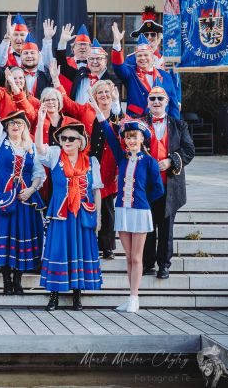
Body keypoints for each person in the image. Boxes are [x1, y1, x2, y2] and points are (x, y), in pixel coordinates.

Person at [0, 76, 45, 295]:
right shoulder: (0, 142)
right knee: (5, 238)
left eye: (19, 123)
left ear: (25, 127)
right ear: (7, 127)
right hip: (3, 198)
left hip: (25, 199)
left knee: (21, 237)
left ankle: (18, 280)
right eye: (12, 123)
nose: (15, 126)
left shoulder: (31, 148)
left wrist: (31, 189)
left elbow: (39, 173)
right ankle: (7, 281)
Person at [93, 107, 164, 314]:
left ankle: (135, 297)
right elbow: (109, 132)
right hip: (123, 211)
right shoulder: (122, 158)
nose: (131, 140)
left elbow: (158, 189)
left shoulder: (150, 161)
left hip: (140, 212)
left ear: (142, 138)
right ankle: (130, 297)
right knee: (128, 256)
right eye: (128, 137)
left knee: (136, 257)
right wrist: (97, 110)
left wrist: (143, 202)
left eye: (135, 136)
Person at [35, 111, 104, 311]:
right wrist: (40, 122)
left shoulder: (91, 162)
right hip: (61, 213)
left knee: (79, 250)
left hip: (83, 213)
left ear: (80, 142)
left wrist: (99, 217)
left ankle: (77, 295)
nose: (66, 141)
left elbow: (96, 191)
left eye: (71, 138)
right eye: (63, 138)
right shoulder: (55, 155)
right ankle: (54, 296)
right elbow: (39, 148)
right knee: (58, 251)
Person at [59, 79, 123, 260]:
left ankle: (107, 246)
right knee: (88, 202)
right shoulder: (87, 110)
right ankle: (89, 242)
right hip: (88, 162)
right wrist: (57, 81)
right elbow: (68, 104)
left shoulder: (117, 113)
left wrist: (120, 169)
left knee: (107, 206)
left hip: (109, 164)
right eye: (100, 92)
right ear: (94, 95)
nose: (104, 95)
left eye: (106, 92)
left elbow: (121, 135)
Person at [140, 86, 195, 279]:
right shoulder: (139, 124)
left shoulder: (180, 125)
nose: (156, 102)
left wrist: (171, 161)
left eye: (160, 98)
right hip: (145, 185)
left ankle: (164, 265)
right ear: (148, 102)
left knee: (165, 228)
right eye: (152, 98)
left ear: (166, 102)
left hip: (169, 184)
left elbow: (189, 150)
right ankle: (147, 264)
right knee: (147, 226)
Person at [111, 24, 180, 119]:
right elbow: (118, 67)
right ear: (135, 59)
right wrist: (117, 44)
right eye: (139, 55)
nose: (143, 58)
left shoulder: (165, 76)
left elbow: (173, 104)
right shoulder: (131, 74)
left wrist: (175, 125)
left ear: (152, 58)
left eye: (146, 55)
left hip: (162, 122)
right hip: (137, 122)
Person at [56, 27, 112, 104]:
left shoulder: (110, 80)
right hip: (74, 109)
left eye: (98, 58)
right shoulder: (81, 73)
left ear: (105, 61)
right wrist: (62, 42)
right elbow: (62, 66)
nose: (95, 62)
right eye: (91, 59)